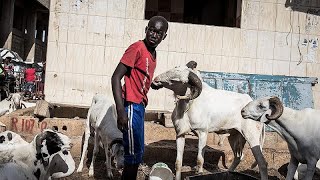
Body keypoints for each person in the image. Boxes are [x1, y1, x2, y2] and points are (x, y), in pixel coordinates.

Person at [111, 16, 168, 180]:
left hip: (140, 107)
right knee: (132, 156)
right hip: (130, 106)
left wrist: (153, 85)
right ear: (146, 29)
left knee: (137, 154)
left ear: (164, 36)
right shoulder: (137, 48)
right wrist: (121, 111)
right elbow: (115, 78)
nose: (153, 35)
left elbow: (139, 79)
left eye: (158, 32)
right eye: (151, 30)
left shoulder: (153, 53)